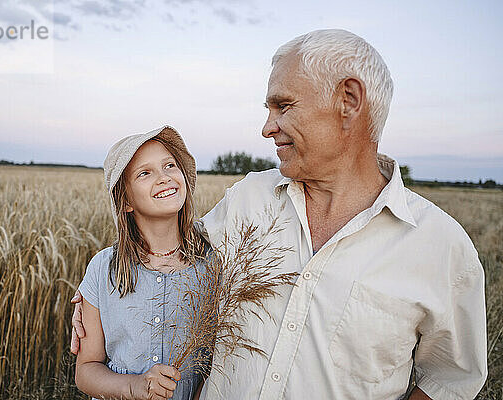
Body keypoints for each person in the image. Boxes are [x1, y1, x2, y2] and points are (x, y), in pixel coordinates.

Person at [72, 30, 487, 399]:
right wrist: (91, 295)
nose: (267, 128)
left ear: (349, 101)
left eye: (283, 106)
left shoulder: (440, 246)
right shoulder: (250, 197)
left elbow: (450, 379)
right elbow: (167, 254)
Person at [74, 126, 209, 400]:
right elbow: (86, 370)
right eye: (145, 173)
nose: (164, 177)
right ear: (125, 201)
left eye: (170, 165)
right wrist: (134, 387)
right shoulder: (104, 269)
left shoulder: (211, 265)